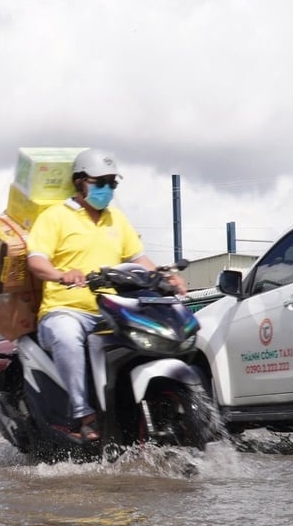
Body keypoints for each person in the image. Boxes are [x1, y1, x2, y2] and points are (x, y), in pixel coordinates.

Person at [25, 148, 186, 442]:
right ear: (80, 182)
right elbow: (36, 261)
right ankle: (83, 414)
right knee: (66, 334)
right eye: (100, 183)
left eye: (112, 183)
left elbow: (140, 259)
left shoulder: (117, 220)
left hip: (111, 310)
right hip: (65, 310)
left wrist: (166, 277)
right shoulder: (55, 217)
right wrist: (62, 274)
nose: (107, 189)